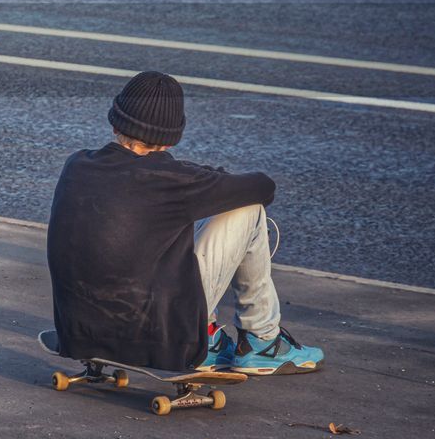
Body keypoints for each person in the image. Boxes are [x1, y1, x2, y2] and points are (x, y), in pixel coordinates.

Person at [46, 70, 323, 375]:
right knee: (248, 208)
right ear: (169, 139)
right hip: (157, 340)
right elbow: (263, 186)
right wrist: (207, 177)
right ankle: (262, 340)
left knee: (162, 225)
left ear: (115, 123)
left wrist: (194, 178)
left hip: (78, 334)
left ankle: (214, 333)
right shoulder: (173, 181)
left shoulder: (77, 163)